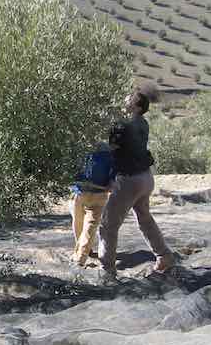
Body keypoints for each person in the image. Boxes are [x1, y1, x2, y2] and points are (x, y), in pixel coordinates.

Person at [98, 90, 175, 282]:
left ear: (137, 106)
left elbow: (112, 151)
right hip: (145, 178)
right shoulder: (143, 123)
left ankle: (107, 272)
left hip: (129, 180)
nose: (125, 99)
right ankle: (164, 256)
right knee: (144, 219)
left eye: (130, 98)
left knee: (108, 226)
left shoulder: (121, 125)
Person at [69, 142, 115, 267]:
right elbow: (112, 184)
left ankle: (80, 253)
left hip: (79, 193)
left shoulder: (85, 156)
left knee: (78, 224)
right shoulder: (111, 159)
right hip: (99, 195)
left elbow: (72, 174)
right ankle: (81, 257)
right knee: (90, 227)